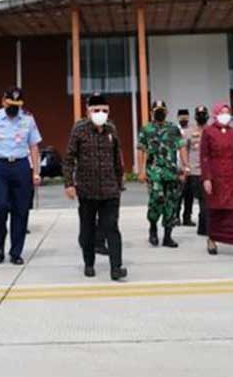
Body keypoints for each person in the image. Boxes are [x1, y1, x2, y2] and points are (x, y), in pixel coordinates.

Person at [64, 93, 128, 281]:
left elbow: (117, 157)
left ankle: (116, 267)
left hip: (110, 189)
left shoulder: (111, 129)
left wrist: (120, 182)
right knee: (87, 230)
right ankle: (89, 263)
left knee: (112, 228)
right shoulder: (79, 130)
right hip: (87, 190)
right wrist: (69, 184)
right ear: (88, 111)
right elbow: (69, 159)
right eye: (96, 110)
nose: (101, 113)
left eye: (104, 110)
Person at [0, 87, 42, 265]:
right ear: (3, 101)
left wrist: (36, 172)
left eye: (17, 105)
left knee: (21, 210)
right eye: (10, 104)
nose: (14, 108)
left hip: (21, 165)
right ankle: (0, 243)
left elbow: (34, 146)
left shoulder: (28, 118)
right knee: (0, 206)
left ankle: (16, 252)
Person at [200, 102, 233, 259]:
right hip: (215, 176)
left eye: (227, 112)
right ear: (215, 114)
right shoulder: (208, 132)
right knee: (216, 210)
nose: (225, 115)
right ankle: (212, 239)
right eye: (222, 112)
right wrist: (206, 178)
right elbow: (204, 157)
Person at [137, 99, 187, 248]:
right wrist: (141, 171)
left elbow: (182, 147)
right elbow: (141, 150)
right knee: (156, 199)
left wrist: (186, 166)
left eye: (162, 110)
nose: (159, 113)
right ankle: (153, 227)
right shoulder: (146, 129)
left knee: (171, 203)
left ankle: (167, 236)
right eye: (156, 110)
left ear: (166, 112)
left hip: (171, 172)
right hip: (154, 172)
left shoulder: (173, 129)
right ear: (151, 112)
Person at [182, 105, 209, 234]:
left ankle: (203, 227)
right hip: (195, 172)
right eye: (199, 114)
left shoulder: (211, 131)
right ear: (195, 116)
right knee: (202, 199)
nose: (201, 117)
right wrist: (186, 166)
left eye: (203, 114)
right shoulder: (189, 132)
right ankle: (203, 226)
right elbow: (184, 150)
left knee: (206, 200)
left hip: (209, 171)